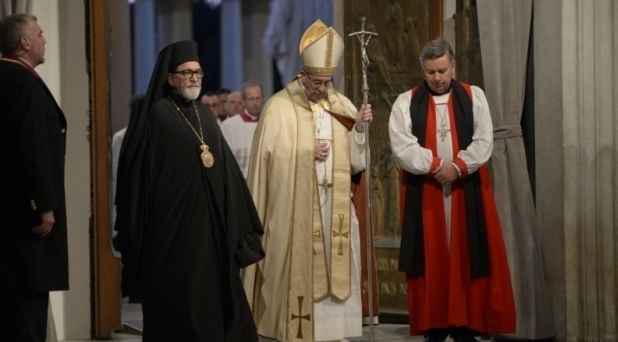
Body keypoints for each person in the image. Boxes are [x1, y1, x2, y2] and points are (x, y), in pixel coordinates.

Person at [114, 40, 264, 341]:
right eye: (187, 72)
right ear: (170, 78)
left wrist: (236, 217)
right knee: (182, 302)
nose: (195, 77)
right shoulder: (155, 115)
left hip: (212, 229)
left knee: (216, 296)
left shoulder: (204, 114)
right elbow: (138, 177)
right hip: (173, 231)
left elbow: (226, 170)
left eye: (198, 72)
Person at [242, 20, 372, 342]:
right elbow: (266, 163)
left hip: (334, 214)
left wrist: (357, 131)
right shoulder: (278, 108)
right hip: (295, 213)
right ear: (302, 75)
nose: (321, 89)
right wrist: (304, 152)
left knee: (336, 262)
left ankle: (334, 329)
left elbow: (357, 165)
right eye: (316, 82)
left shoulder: (341, 105)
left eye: (327, 82)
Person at [388, 39, 516, 341]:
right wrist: (435, 166)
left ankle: (467, 323)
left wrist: (457, 166)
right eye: (431, 72)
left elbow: (484, 140)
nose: (437, 78)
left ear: (453, 65)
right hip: (427, 191)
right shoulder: (406, 102)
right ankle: (435, 323)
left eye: (443, 70)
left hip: (466, 187)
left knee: (466, 252)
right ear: (423, 69)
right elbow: (402, 147)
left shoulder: (474, 97)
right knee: (430, 255)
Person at [0, 13, 69, 341]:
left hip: (11, 217)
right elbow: (30, 148)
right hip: (25, 221)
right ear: (24, 42)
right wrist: (42, 204)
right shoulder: (21, 81)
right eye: (40, 34)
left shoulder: (8, 75)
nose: (44, 41)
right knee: (26, 314)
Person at [111, 93, 145, 302]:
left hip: (145, 201)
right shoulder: (121, 138)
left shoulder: (155, 133)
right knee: (131, 249)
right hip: (130, 200)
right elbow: (116, 174)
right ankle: (134, 289)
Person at [220, 80, 264, 177]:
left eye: (258, 98)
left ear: (262, 99)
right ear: (244, 101)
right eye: (251, 99)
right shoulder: (228, 125)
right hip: (239, 180)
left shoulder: (268, 124)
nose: (255, 103)